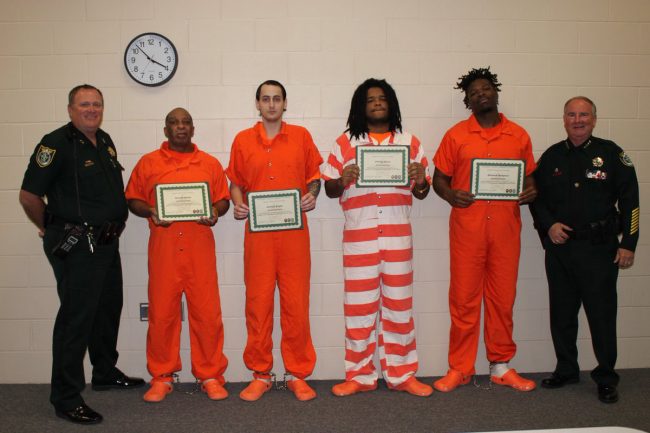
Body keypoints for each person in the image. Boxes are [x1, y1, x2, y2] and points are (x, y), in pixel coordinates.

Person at [18, 84, 144, 425]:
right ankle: (66, 396)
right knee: (76, 320)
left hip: (106, 242)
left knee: (107, 310)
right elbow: (29, 195)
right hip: (78, 246)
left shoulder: (104, 141)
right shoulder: (55, 143)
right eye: (85, 104)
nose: (92, 109)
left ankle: (103, 372)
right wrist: (52, 226)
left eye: (97, 104)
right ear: (71, 109)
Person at [321, 78, 434, 397]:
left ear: (392, 103)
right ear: (361, 106)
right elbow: (328, 188)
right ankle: (359, 375)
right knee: (359, 308)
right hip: (359, 238)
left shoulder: (411, 142)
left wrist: (420, 179)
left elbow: (423, 192)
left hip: (398, 238)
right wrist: (342, 180)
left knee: (400, 308)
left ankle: (402, 374)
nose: (377, 103)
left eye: (382, 98)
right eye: (370, 99)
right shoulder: (344, 143)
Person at [432, 67, 537, 392]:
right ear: (467, 101)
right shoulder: (455, 136)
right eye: (474, 92)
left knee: (502, 300)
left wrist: (531, 189)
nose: (481, 94)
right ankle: (460, 368)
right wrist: (451, 194)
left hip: (506, 232)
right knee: (463, 301)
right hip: (468, 232)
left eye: (486, 89)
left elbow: (529, 176)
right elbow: (439, 179)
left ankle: (500, 366)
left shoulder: (519, 135)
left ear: (495, 92)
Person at [530, 97, 639, 404]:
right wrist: (549, 226)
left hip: (599, 250)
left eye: (584, 115)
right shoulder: (551, 157)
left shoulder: (611, 154)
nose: (577, 120)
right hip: (562, 250)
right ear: (564, 119)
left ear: (594, 119)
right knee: (562, 314)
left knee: (602, 317)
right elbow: (537, 199)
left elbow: (631, 201)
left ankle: (606, 377)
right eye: (572, 115)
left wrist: (628, 243)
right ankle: (566, 369)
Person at [125, 108, 230, 403]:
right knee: (162, 315)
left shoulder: (209, 163)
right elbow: (133, 199)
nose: (180, 127)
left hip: (199, 250)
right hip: (164, 250)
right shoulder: (148, 163)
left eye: (185, 123)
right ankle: (162, 376)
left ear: (193, 129)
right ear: (166, 129)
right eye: (174, 122)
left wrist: (214, 212)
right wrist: (151, 212)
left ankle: (210, 374)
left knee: (207, 315)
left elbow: (222, 200)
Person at [226, 80, 322, 402]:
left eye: (276, 99)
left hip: (294, 236)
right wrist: (239, 203)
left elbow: (314, 178)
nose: (271, 104)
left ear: (284, 104)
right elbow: (236, 183)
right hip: (258, 238)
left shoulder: (301, 137)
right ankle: (261, 374)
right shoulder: (242, 140)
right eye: (265, 99)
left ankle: (297, 374)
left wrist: (311, 195)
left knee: (296, 304)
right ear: (257, 104)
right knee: (258, 304)